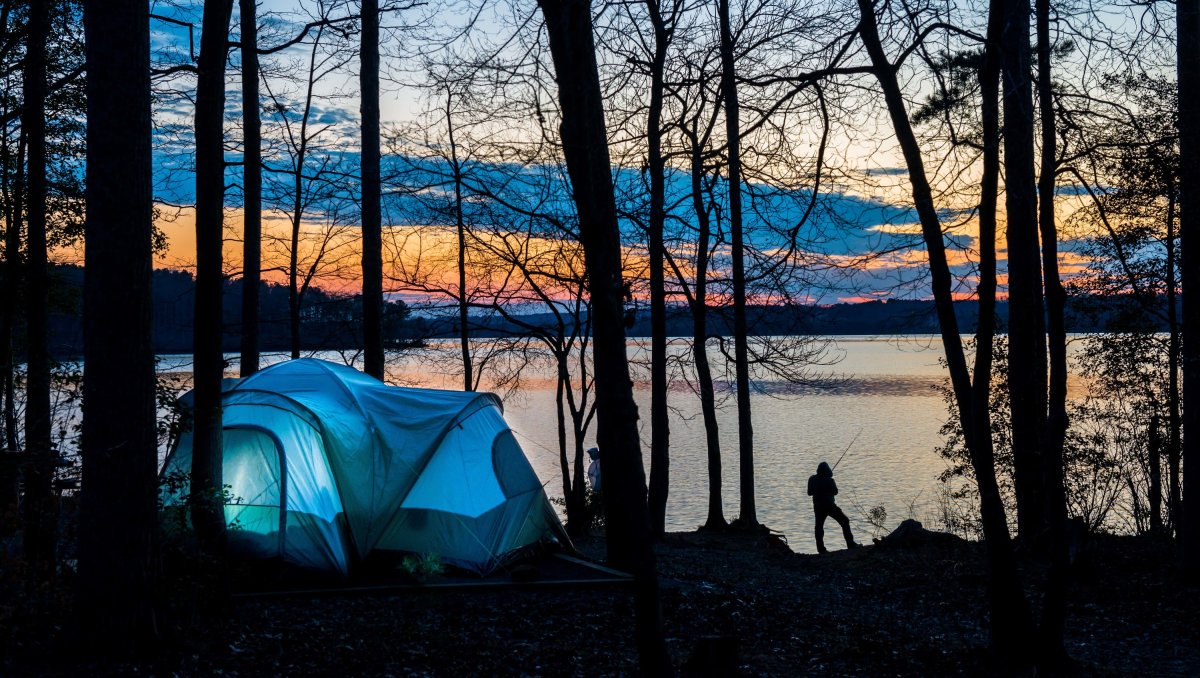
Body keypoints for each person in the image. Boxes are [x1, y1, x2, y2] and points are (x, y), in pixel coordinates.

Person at [807, 461, 859, 553]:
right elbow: (835, 492)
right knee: (845, 521)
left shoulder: (812, 479)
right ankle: (850, 543)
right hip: (830, 506)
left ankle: (820, 549)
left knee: (819, 527)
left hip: (818, 507)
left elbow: (809, 493)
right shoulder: (830, 480)